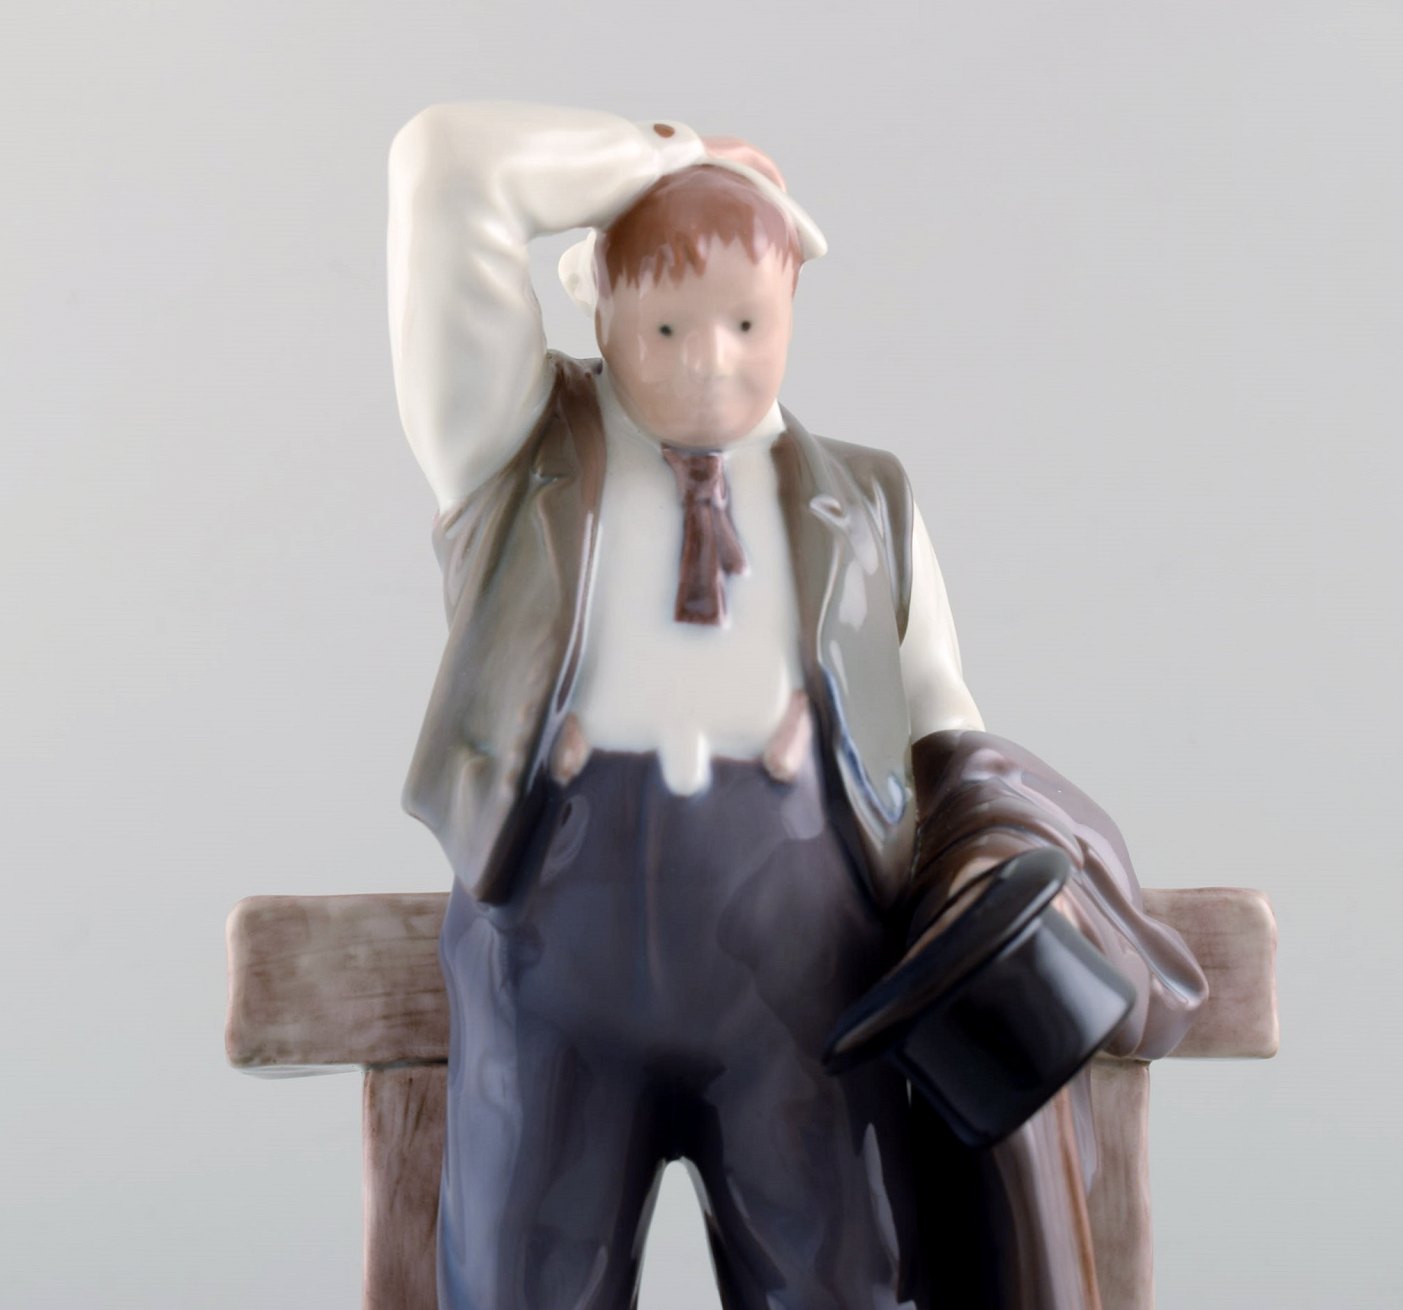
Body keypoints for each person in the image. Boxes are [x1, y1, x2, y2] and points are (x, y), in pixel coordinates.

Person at [387, 101, 1207, 1310]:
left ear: (794, 305)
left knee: (841, 1280)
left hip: (802, 974)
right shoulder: (516, 454)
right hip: (551, 962)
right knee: (522, 1284)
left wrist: (982, 866)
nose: (709, 362)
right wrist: (663, 162)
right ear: (598, 308)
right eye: (666, 325)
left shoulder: (867, 504)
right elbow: (445, 165)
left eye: (747, 323)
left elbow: (940, 716)